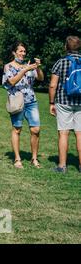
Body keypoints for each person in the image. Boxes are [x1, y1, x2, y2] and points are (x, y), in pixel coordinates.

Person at [2, 41, 44, 169]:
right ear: (14, 52)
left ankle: (34, 159)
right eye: (20, 51)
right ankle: (17, 159)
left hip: (31, 101)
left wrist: (37, 67)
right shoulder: (8, 66)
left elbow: (41, 78)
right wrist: (25, 69)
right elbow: (13, 81)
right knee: (17, 129)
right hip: (17, 101)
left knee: (35, 130)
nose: (23, 53)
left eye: (24, 51)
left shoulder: (29, 65)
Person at [49, 35, 81, 173]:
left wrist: (51, 102)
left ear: (66, 47)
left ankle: (62, 166)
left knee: (64, 133)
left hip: (63, 101)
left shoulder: (61, 62)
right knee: (80, 134)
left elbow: (52, 85)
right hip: (80, 102)